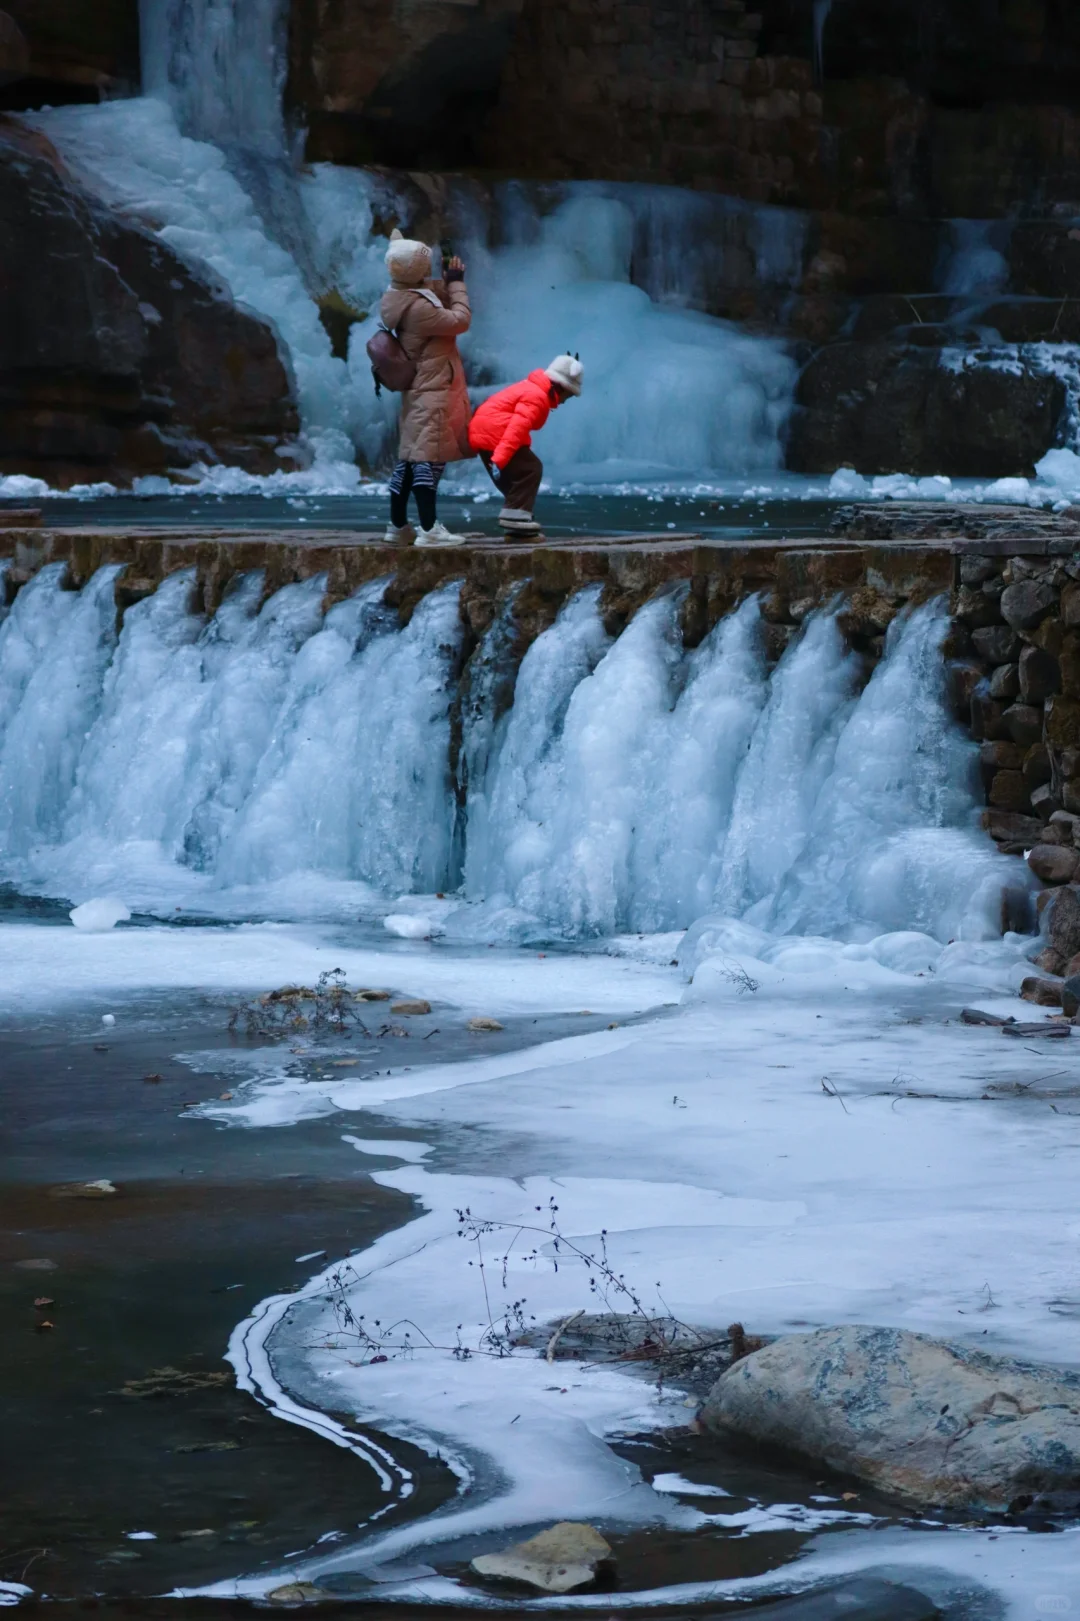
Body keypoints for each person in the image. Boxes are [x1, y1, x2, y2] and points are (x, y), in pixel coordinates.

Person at [380, 229, 472, 548]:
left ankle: (397, 526)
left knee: (410, 458)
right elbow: (460, 320)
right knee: (428, 459)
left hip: (421, 387)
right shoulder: (419, 310)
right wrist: (458, 285)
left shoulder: (402, 295)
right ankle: (429, 529)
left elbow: (430, 293)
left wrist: (448, 279)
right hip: (431, 389)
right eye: (427, 265)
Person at [468, 354, 584, 537]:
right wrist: (499, 459)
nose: (562, 403)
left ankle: (519, 521)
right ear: (559, 387)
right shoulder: (536, 397)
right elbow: (515, 430)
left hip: (485, 433)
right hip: (494, 435)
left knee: (515, 482)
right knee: (531, 469)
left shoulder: (532, 389)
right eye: (567, 397)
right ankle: (515, 516)